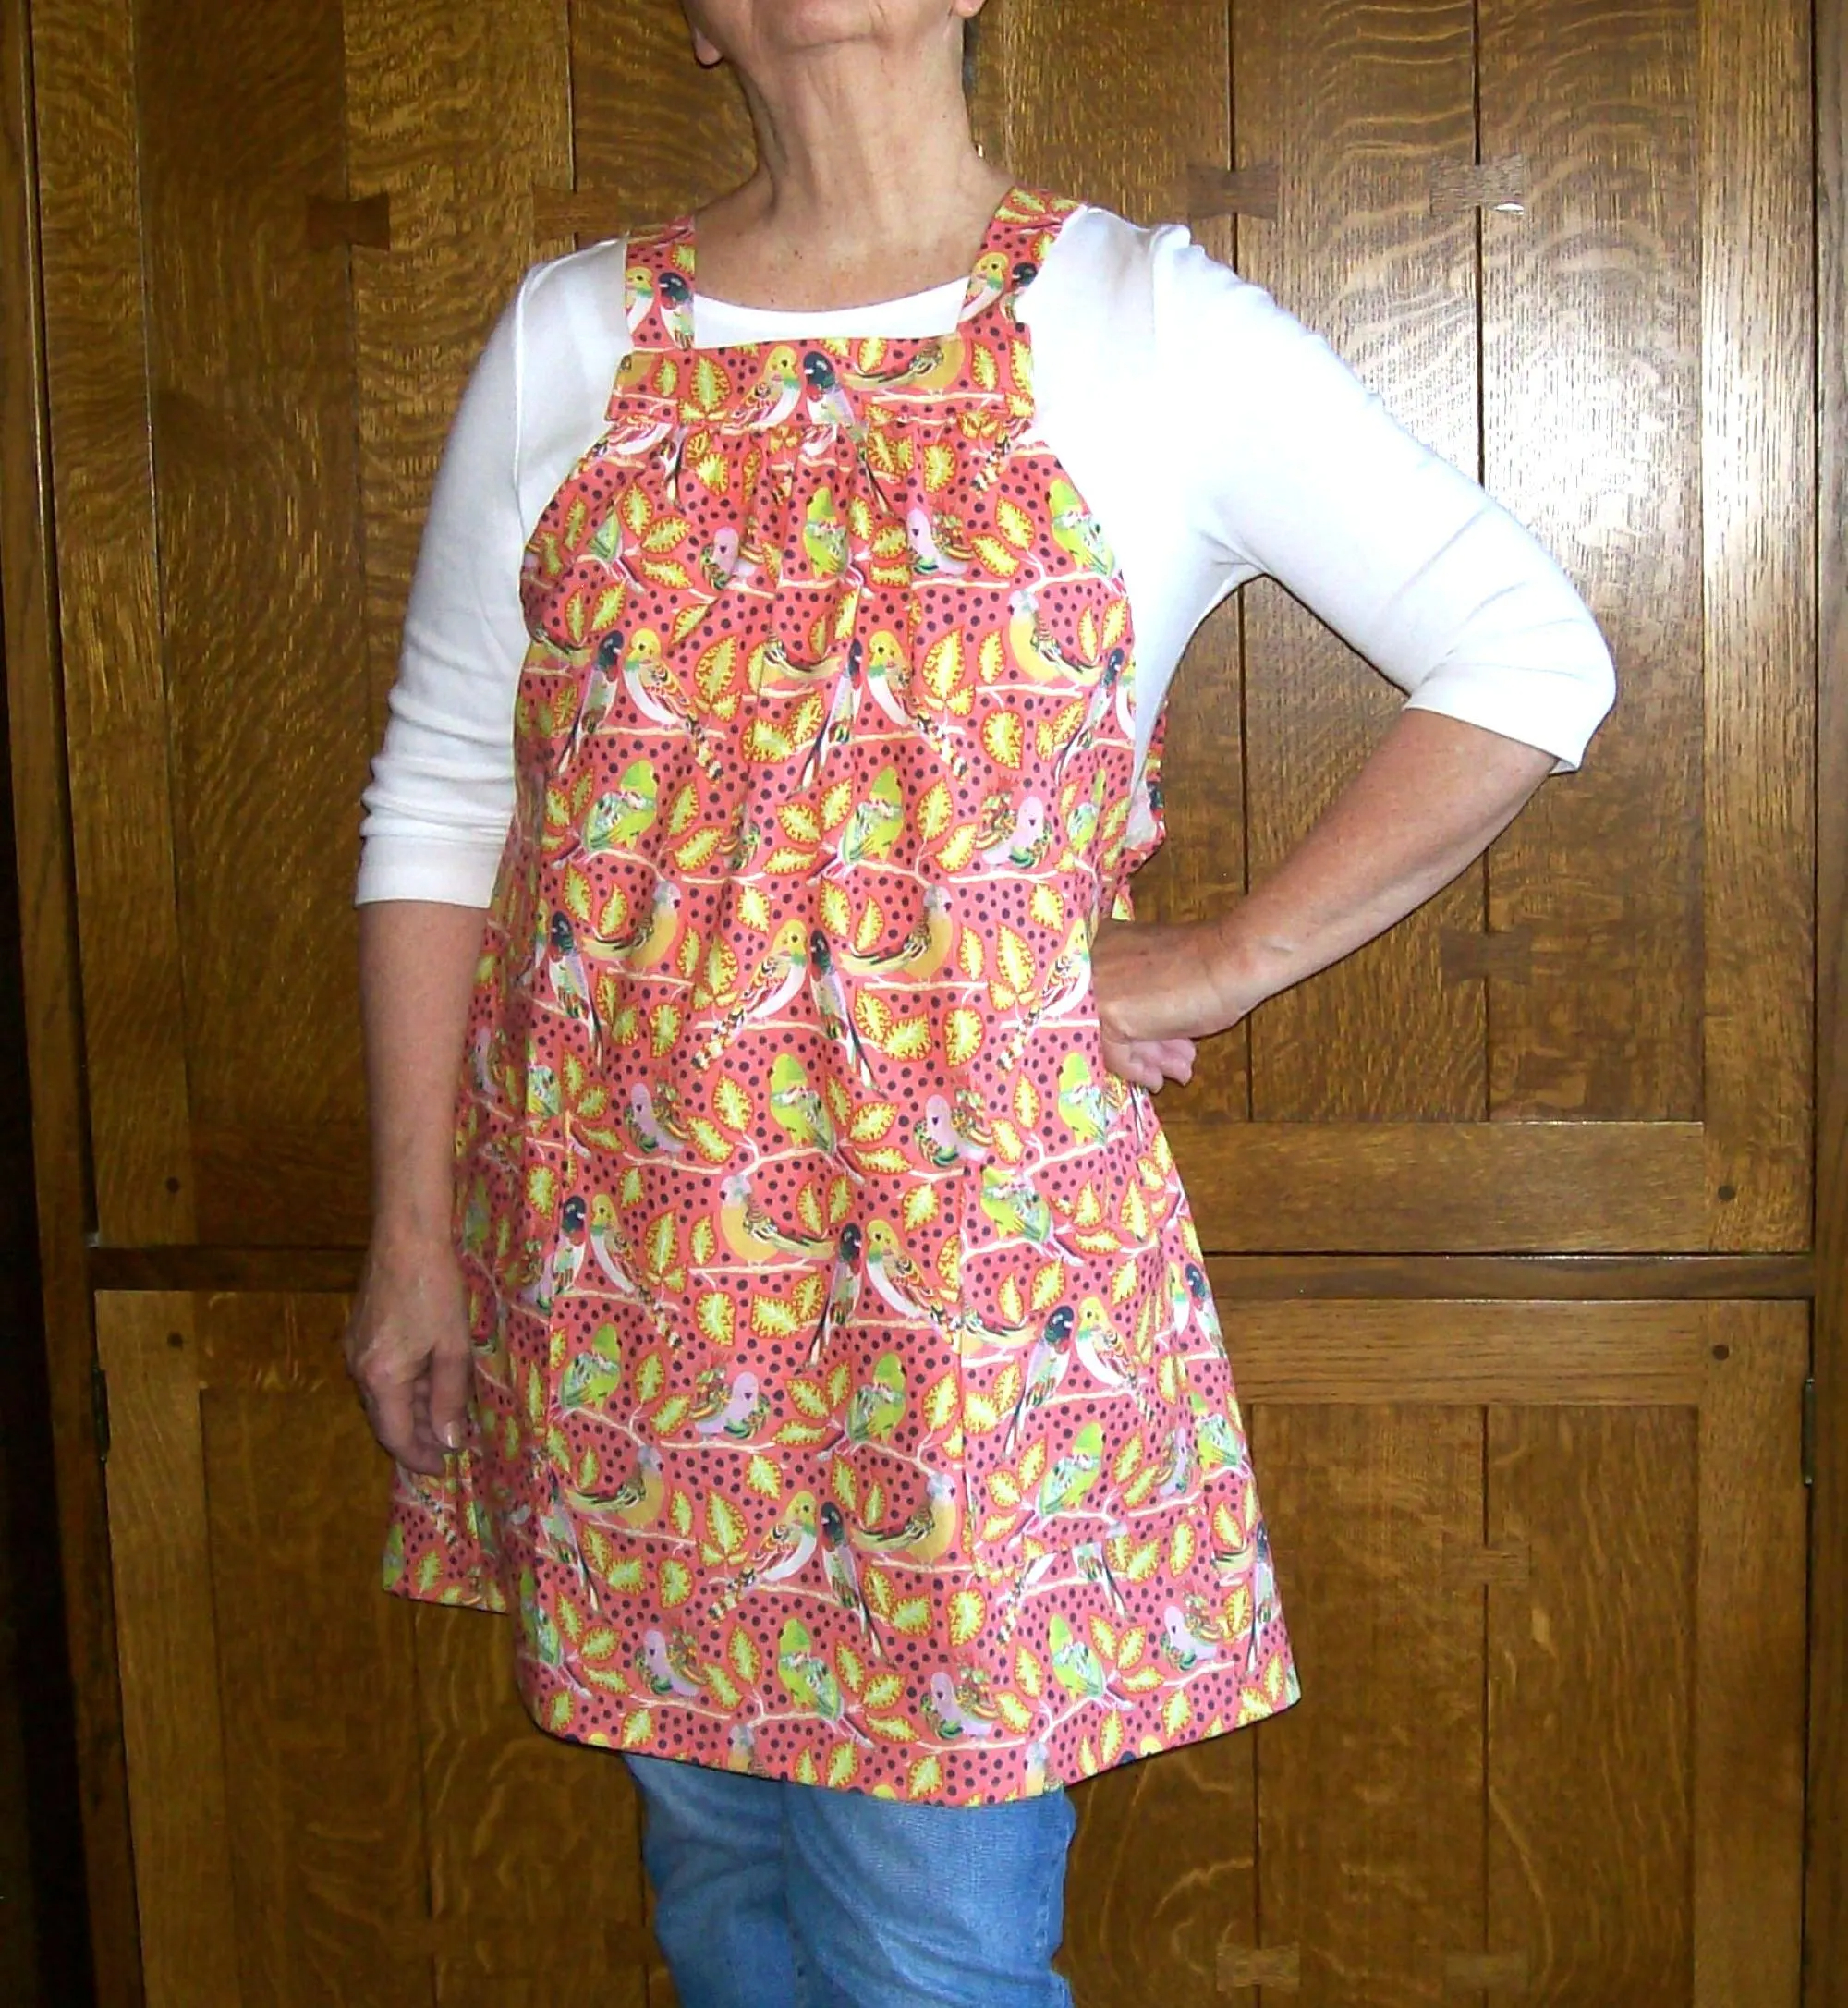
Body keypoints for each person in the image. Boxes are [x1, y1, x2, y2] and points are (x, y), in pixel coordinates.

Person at [344, 2, 1615, 2002]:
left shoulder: (1139, 322)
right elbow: (444, 796)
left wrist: (1222, 957)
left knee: (924, 1953)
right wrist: (415, 1233)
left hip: (964, 1302)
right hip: (625, 1282)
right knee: (720, 1898)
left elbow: (1525, 657)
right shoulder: (571, 337)